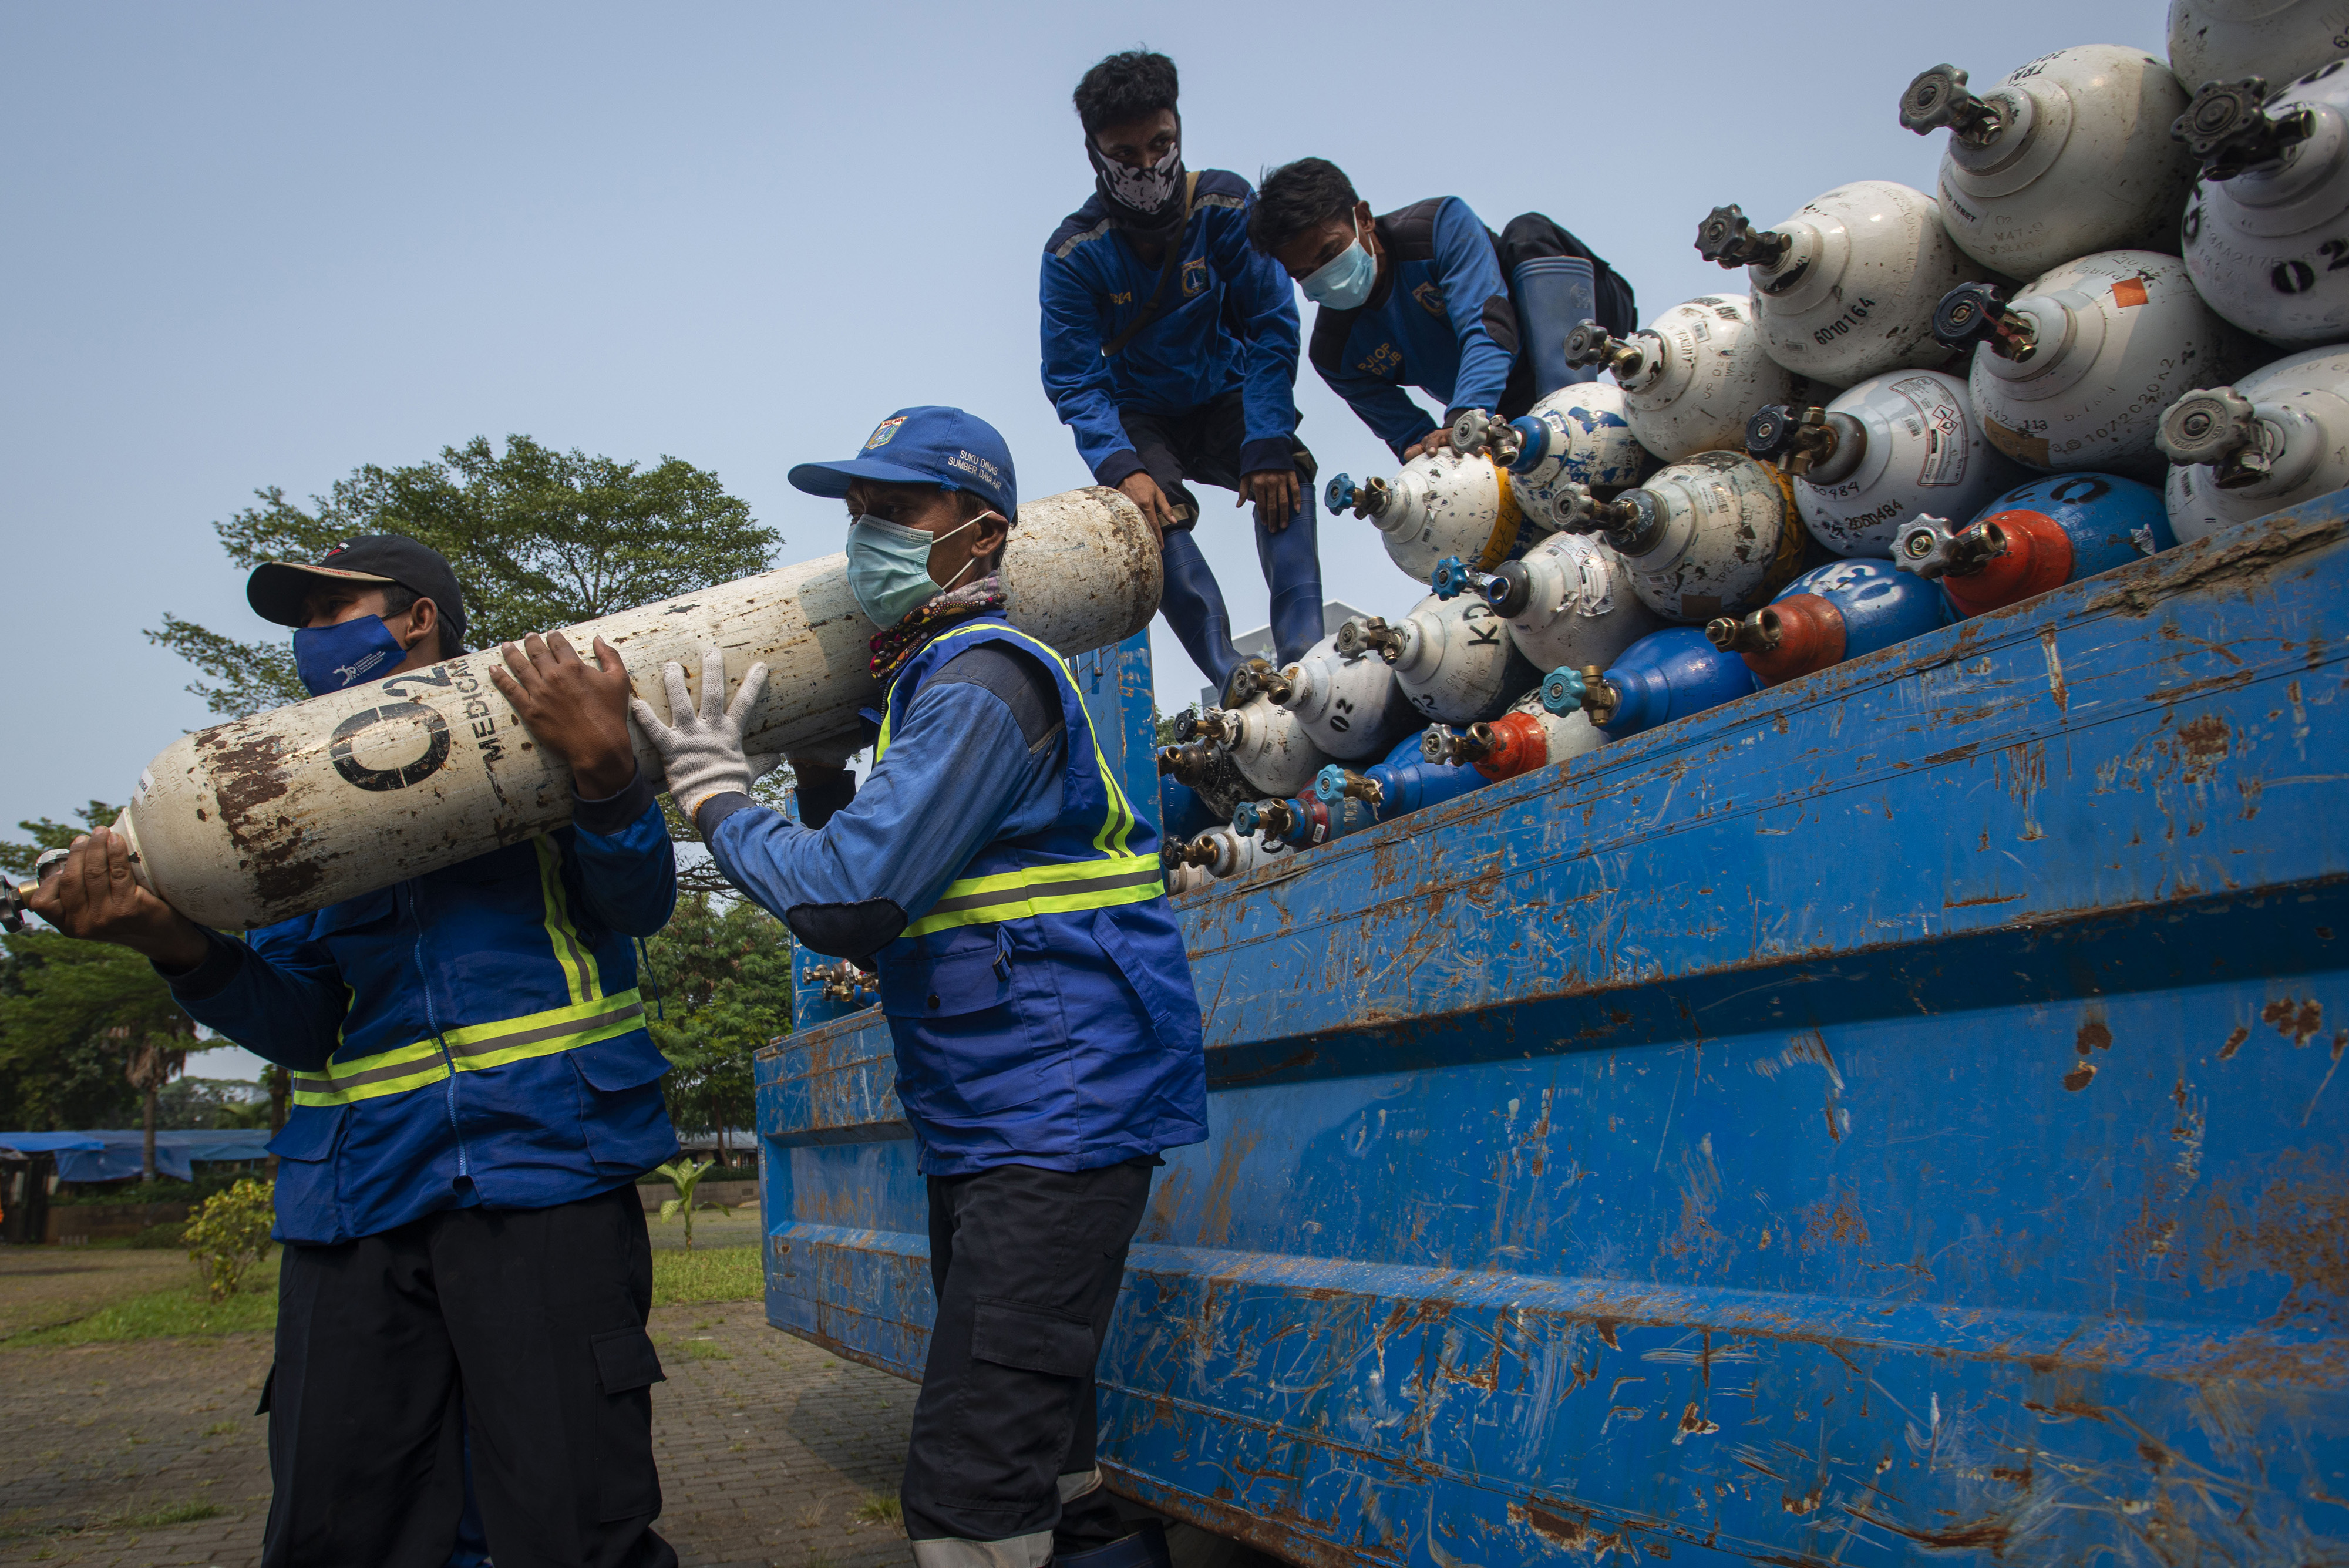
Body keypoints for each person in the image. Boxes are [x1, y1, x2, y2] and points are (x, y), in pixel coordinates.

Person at [31, 535, 682, 1568]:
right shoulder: (282, 793)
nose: (308, 636)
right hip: (360, 1195)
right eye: (301, 620)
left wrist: (604, 775)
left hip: (547, 1166)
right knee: (343, 1524)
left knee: (574, 1519)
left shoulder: (532, 724)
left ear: (415, 616)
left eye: (332, 612)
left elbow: (636, 905)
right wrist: (168, 942)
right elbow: (298, 1023)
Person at [631, 405, 1206, 1568]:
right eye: (856, 517)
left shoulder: (981, 681)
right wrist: (820, 777)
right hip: (1007, 1121)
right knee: (1040, 1452)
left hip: (1052, 1120)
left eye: (896, 512)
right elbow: (927, 870)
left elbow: (851, 899)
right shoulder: (929, 692)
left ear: (979, 534)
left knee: (967, 1481)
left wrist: (714, 794)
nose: (865, 539)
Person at [1039, 49, 1323, 694]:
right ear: (1095, 154)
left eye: (1160, 143)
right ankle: (1229, 675)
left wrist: (1269, 437)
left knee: (1288, 475)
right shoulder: (1072, 255)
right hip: (1142, 413)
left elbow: (1272, 324)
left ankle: (1306, 651)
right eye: (1126, 153)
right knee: (1146, 521)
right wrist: (1122, 469)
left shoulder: (1224, 205)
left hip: (1230, 390)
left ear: (1178, 131)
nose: (1147, 165)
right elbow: (1075, 380)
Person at [1248, 157, 1639, 462]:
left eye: (1330, 254)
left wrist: (1465, 416)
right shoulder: (1337, 354)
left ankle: (1571, 410)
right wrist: (1438, 456)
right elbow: (1414, 440)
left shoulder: (1437, 228)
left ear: (1363, 218)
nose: (1325, 276)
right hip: (1505, 403)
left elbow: (1488, 327)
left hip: (1582, 325)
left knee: (1528, 232)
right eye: (1305, 274)